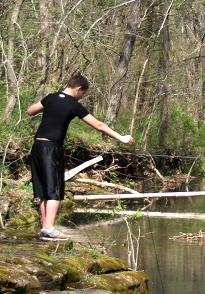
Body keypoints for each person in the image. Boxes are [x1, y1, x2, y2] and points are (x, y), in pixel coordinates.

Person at [26, 74, 133, 241]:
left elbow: (30, 111)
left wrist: (48, 108)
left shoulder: (51, 97)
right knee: (54, 189)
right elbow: (99, 125)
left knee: (43, 190)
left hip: (37, 145)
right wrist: (121, 138)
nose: (82, 96)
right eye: (83, 93)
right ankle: (49, 229)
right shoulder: (73, 105)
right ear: (78, 89)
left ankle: (45, 228)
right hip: (51, 148)